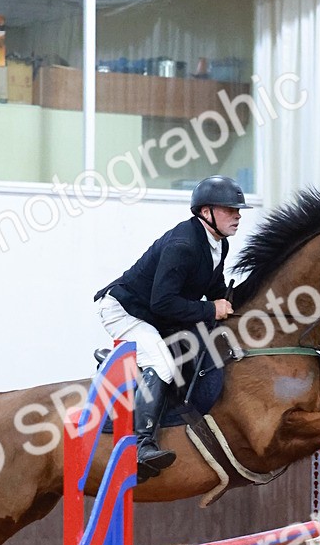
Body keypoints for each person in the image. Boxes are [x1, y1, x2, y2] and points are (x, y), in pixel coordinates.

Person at [94, 175, 253, 481]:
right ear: (206, 212)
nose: (237, 215)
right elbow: (163, 303)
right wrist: (211, 309)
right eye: (229, 209)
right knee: (162, 365)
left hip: (154, 314)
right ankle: (141, 445)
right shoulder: (183, 244)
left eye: (238, 210)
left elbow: (215, 290)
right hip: (124, 311)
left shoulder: (219, 244)